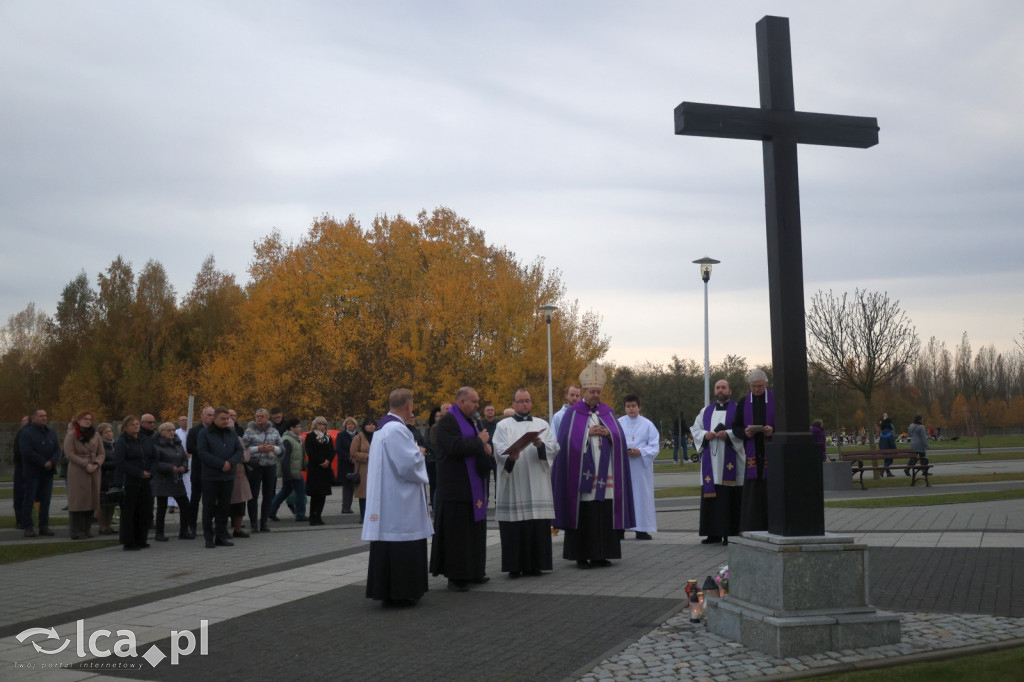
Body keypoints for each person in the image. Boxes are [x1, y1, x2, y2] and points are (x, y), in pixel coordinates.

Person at [551, 363, 634, 569]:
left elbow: (620, 438)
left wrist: (608, 434)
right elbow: (566, 440)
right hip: (581, 475)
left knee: (603, 511)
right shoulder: (573, 413)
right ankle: (581, 555)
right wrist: (587, 434)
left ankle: (601, 554)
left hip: (606, 474)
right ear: (584, 392)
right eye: (592, 391)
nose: (595, 395)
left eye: (598, 391)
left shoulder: (607, 412)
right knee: (584, 512)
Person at [363, 389, 433, 606]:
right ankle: (402, 591)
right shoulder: (396, 430)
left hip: (390, 496)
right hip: (399, 501)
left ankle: (390, 591)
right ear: (409, 405)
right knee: (403, 539)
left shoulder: (383, 428)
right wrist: (419, 453)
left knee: (390, 543)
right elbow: (408, 465)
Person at [430, 386, 494, 592]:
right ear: (461, 402)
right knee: (458, 536)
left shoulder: (471, 422)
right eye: (474, 402)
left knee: (473, 534)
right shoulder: (447, 422)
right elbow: (454, 448)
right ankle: (456, 577)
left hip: (472, 488)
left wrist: (485, 449)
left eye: (478, 402)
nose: (477, 405)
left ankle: (474, 571)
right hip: (455, 489)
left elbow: (473, 448)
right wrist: (479, 442)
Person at [493, 388, 559, 578]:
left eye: (527, 401)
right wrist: (510, 456)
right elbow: (498, 449)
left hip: (538, 480)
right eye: (520, 401)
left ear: (531, 403)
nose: (524, 404)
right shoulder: (503, 425)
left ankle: (536, 565)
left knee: (536, 524)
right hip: (515, 480)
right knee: (515, 525)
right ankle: (515, 567)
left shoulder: (542, 424)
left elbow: (554, 447)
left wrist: (541, 446)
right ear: (513, 404)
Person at [690, 380, 745, 545]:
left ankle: (730, 533)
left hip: (732, 462)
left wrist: (727, 434)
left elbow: (743, 430)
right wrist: (705, 435)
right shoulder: (706, 411)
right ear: (714, 391)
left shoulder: (738, 410)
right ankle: (713, 533)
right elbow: (695, 429)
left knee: (730, 498)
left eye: (724, 387)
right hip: (711, 463)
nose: (720, 390)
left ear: (730, 390)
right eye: (718, 388)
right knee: (712, 497)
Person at [732, 369, 775, 533]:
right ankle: (752, 526)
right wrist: (745, 432)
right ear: (749, 385)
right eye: (753, 386)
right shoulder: (743, 402)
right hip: (751, 453)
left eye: (760, 386)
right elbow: (735, 427)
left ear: (766, 384)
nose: (756, 390)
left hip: (771, 454)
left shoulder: (775, 399)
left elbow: (785, 424)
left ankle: (772, 524)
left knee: (770, 489)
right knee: (753, 493)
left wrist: (773, 430)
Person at [197, 406, 243, 548]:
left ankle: (221, 536)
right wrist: (220, 464)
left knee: (224, 508)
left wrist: (230, 463)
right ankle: (209, 538)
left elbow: (239, 450)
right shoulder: (205, 433)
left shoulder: (231, 433)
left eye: (227, 419)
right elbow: (203, 453)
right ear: (214, 418)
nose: (225, 421)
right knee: (209, 508)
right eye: (222, 419)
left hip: (228, 476)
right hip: (211, 476)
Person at [618, 394, 659, 541]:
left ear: (639, 407)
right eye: (628, 406)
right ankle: (619, 528)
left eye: (633, 406)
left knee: (641, 496)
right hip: (623, 466)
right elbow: (613, 441)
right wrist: (624, 451)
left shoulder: (648, 424)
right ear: (625, 407)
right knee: (622, 496)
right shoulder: (618, 423)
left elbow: (654, 446)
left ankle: (641, 529)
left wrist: (641, 452)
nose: (631, 409)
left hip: (641, 467)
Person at [113, 415, 153, 551]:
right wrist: (138, 472)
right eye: (132, 425)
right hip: (130, 481)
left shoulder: (145, 440)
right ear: (125, 428)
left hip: (145, 480)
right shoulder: (122, 442)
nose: (136, 426)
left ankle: (141, 539)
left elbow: (153, 456)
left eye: (137, 424)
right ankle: (129, 541)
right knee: (130, 512)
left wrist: (150, 470)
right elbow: (120, 462)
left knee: (144, 510)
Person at [19, 409, 61, 538]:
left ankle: (44, 526)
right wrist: (43, 462)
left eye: (45, 415)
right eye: (41, 416)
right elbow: (27, 452)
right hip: (33, 472)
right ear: (33, 418)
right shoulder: (26, 433)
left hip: (47, 473)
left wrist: (52, 461)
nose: (44, 418)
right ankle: (28, 526)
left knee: (46, 499)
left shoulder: (51, 433)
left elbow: (57, 449)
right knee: (29, 499)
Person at [63, 410, 104, 540]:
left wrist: (97, 464)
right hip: (78, 469)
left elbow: (101, 453)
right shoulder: (72, 435)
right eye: (85, 418)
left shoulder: (96, 435)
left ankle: (87, 529)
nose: (88, 421)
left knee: (92, 499)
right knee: (78, 500)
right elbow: (69, 454)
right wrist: (85, 464)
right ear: (78, 420)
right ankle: (77, 531)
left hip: (94, 469)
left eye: (90, 419)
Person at [243, 408, 283, 533]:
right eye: (257, 416)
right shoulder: (249, 431)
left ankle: (264, 522)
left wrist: (273, 448)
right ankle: (254, 523)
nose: (259, 419)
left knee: (268, 494)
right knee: (253, 495)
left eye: (262, 416)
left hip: (270, 465)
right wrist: (258, 448)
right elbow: (243, 448)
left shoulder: (274, 431)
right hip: (255, 466)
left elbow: (282, 448)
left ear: (267, 418)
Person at [151, 422, 190, 541]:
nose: (172, 432)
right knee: (162, 507)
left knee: (184, 504)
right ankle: (159, 533)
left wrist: (184, 466)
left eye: (173, 429)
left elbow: (184, 458)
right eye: (169, 430)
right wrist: (170, 467)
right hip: (163, 479)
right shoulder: (156, 445)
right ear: (161, 432)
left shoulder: (177, 444)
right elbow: (155, 463)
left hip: (177, 479)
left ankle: (184, 531)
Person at [185, 406, 214, 540]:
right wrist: (205, 452)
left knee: (211, 500)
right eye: (208, 415)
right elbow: (190, 448)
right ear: (202, 416)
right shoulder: (194, 431)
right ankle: (192, 525)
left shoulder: (216, 431)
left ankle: (209, 525)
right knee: (195, 499)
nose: (211, 417)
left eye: (213, 415)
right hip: (198, 470)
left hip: (212, 470)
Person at [270, 418, 307, 521]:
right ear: (292, 428)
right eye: (298, 426)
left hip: (294, 471)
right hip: (291, 472)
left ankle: (271, 511)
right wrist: (287, 474)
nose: (300, 428)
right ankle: (300, 515)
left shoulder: (296, 439)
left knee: (285, 492)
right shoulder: (288, 440)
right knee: (300, 491)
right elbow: (284, 459)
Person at [305, 416, 335, 526]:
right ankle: (312, 516)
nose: (322, 426)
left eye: (324, 424)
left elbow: (332, 451)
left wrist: (328, 461)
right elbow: (310, 452)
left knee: (323, 494)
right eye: (320, 424)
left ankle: (319, 516)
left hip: (325, 469)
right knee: (315, 494)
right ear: (315, 425)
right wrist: (321, 461)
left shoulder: (328, 437)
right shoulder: (310, 436)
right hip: (315, 468)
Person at [349, 419, 375, 523]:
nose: (371, 426)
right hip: (363, 469)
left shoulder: (378, 437)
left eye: (373, 424)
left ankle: (374, 516)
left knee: (374, 494)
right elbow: (353, 453)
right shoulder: (358, 437)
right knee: (364, 494)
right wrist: (368, 456)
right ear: (364, 426)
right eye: (368, 424)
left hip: (376, 469)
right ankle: (363, 516)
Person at [426, 403, 451, 507]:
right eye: (446, 409)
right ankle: (436, 507)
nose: (449, 410)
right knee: (439, 485)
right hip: (440, 459)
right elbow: (434, 444)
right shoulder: (435, 427)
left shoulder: (454, 424)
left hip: (452, 459)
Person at [96, 423, 118, 535]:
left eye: (110, 431)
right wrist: (116, 463)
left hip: (114, 478)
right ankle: (102, 526)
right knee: (103, 505)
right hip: (104, 478)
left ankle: (108, 525)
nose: (109, 434)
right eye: (106, 432)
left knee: (112, 504)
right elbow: (101, 462)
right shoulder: (99, 447)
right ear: (100, 435)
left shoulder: (115, 445)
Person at [334, 416, 358, 513]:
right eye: (348, 424)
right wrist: (348, 457)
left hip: (355, 464)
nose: (350, 426)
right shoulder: (341, 435)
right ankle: (345, 506)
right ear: (345, 425)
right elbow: (338, 449)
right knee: (346, 485)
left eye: (352, 424)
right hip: (345, 464)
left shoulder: (358, 435)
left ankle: (349, 506)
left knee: (353, 485)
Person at [11, 415, 30, 530]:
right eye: (22, 420)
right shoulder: (21, 434)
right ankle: (20, 520)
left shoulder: (25, 433)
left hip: (25, 468)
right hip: (21, 467)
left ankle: (24, 519)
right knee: (19, 495)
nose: (22, 422)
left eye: (24, 420)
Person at [878, 412, 896, 477]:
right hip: (889, 450)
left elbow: (880, 443)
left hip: (883, 450)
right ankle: (883, 470)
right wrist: (895, 450)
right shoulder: (889, 434)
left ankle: (888, 473)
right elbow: (892, 443)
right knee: (890, 461)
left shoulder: (882, 434)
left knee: (886, 461)